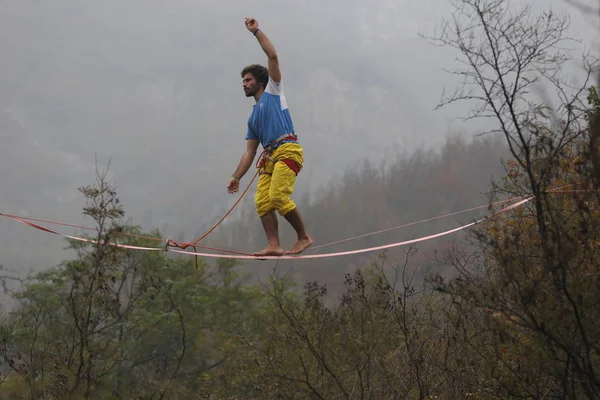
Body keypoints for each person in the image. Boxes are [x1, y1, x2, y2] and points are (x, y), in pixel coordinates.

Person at [227, 17, 313, 257]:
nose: (244, 84)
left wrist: (256, 32)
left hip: (288, 149)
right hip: (270, 158)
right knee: (263, 202)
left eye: (248, 80)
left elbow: (273, 57)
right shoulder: (253, 118)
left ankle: (304, 237)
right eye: (242, 81)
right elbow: (250, 152)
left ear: (261, 82)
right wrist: (236, 177)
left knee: (278, 197)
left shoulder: (274, 91)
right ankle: (274, 245)